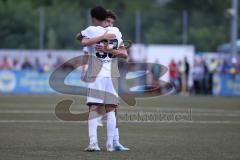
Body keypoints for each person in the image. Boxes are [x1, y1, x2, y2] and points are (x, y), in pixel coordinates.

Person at [76, 6, 129, 152]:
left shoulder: (92, 30)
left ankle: (94, 143)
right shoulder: (116, 32)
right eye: (108, 20)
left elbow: (81, 40)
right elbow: (125, 54)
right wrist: (110, 48)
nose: (110, 23)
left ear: (94, 18)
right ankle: (110, 145)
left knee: (94, 108)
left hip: (97, 73)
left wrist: (103, 45)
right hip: (111, 73)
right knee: (111, 109)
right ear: (105, 18)